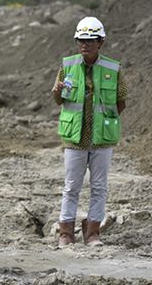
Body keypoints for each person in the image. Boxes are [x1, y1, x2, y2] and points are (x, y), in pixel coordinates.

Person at [51, 16, 127, 248]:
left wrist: (104, 122)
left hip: (101, 139)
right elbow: (58, 100)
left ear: (100, 42)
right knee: (71, 186)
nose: (85, 44)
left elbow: (121, 101)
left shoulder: (112, 69)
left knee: (99, 187)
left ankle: (93, 232)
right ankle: (66, 232)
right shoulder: (67, 66)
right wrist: (57, 91)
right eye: (81, 40)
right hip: (75, 138)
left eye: (90, 40)